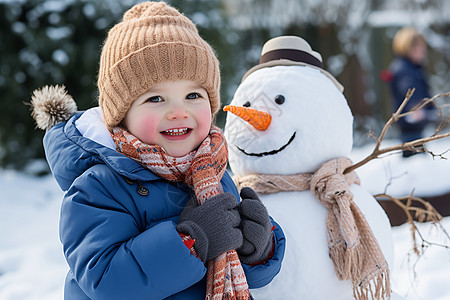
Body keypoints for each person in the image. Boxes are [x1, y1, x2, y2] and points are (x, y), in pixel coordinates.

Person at [38, 2, 285, 299]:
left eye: (193, 95)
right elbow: (105, 281)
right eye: (156, 98)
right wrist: (190, 241)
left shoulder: (212, 173)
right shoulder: (98, 187)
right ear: (121, 116)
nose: (179, 112)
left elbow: (243, 275)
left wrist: (258, 248)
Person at [386, 26, 435, 157]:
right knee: (414, 161)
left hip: (414, 127)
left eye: (423, 47)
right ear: (406, 48)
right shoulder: (404, 70)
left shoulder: (413, 67)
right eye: (417, 48)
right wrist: (417, 108)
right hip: (410, 126)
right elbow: (407, 90)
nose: (422, 51)